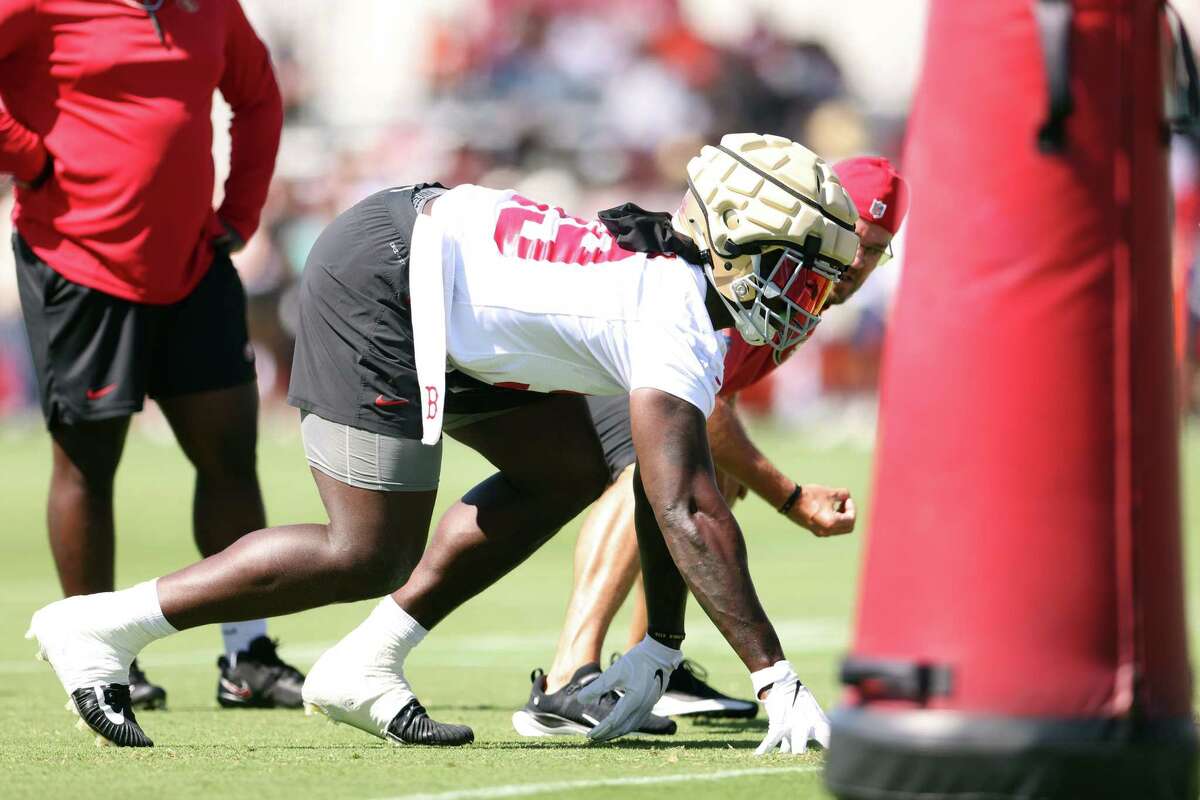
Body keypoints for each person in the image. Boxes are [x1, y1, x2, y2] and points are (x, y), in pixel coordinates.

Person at [28, 132, 859, 756]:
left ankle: (365, 667)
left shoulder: (682, 295)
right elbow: (686, 505)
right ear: (737, 245)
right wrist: (773, 677)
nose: (811, 301)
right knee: (366, 550)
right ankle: (104, 626)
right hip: (386, 277)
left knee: (568, 467)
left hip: (439, 289)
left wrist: (661, 642)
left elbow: (661, 480)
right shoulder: (678, 312)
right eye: (800, 272)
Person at [510, 156, 910, 736]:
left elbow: (720, 392)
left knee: (705, 470)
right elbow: (705, 404)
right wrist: (791, 496)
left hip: (598, 350)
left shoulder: (808, 278)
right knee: (653, 468)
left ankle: (651, 668)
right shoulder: (768, 256)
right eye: (851, 238)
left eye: (876, 249)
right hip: (571, 344)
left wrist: (736, 463)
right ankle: (572, 673)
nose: (856, 261)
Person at [1, 0, 305, 710]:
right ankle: (97, 658)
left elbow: (258, 96)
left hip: (194, 261)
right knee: (87, 460)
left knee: (230, 455)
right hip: (75, 262)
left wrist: (243, 210)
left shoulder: (211, 6)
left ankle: (247, 657)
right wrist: (28, 156)